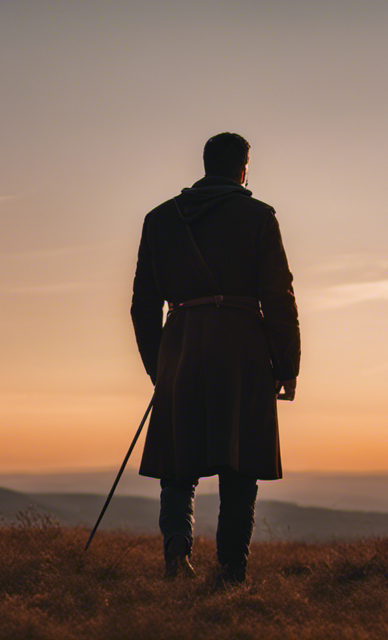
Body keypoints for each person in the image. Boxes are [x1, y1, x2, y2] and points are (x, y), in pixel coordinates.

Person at [130, 132, 301, 585]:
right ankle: (230, 572)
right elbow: (279, 299)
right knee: (240, 465)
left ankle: (176, 557)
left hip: (181, 347)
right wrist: (287, 366)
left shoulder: (159, 219)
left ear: (206, 164)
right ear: (243, 167)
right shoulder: (259, 217)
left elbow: (142, 305)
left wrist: (158, 367)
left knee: (178, 465)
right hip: (242, 349)